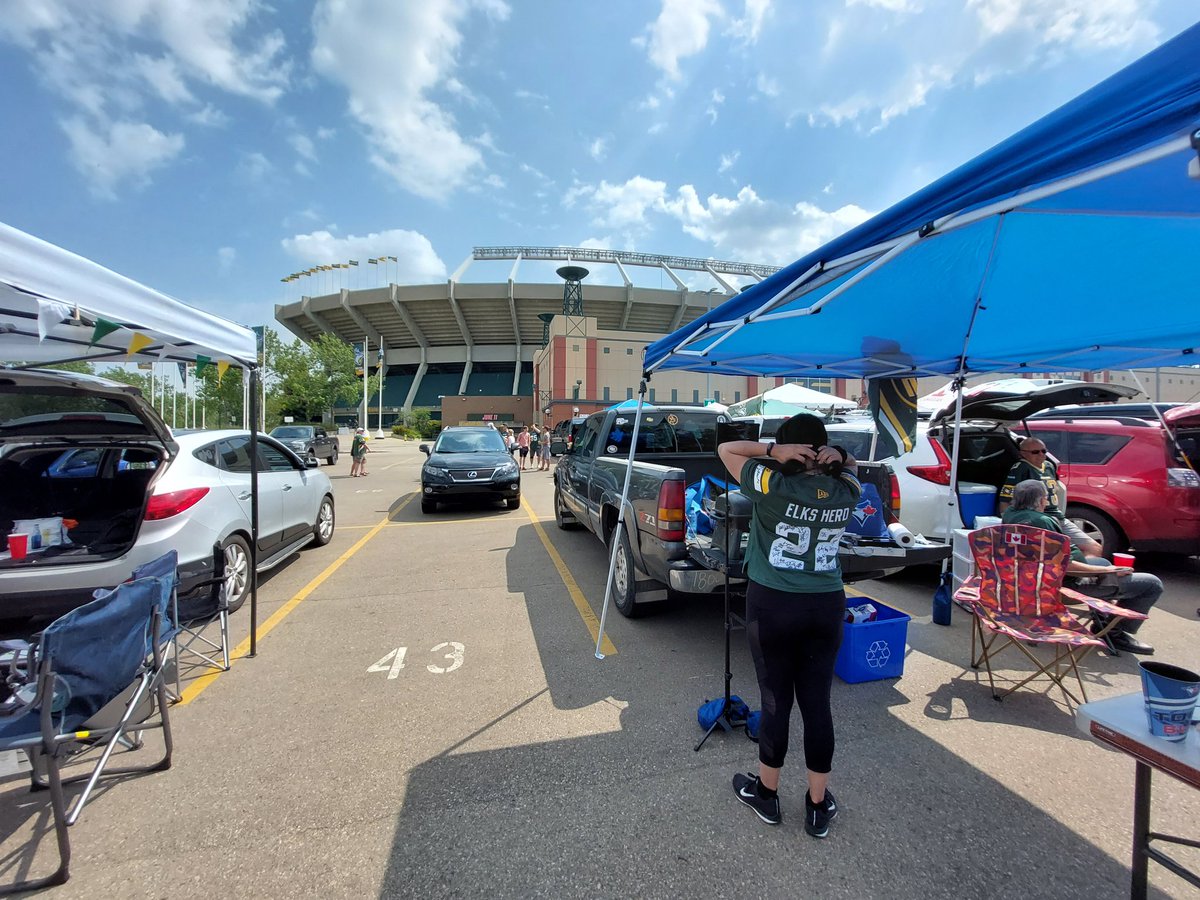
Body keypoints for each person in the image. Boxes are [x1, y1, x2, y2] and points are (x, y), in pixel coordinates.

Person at [716, 414, 861, 839]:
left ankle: (767, 792)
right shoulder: (844, 491)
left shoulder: (771, 484)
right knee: (817, 705)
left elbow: (726, 450)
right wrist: (839, 457)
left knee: (776, 700)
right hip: (824, 606)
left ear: (789, 449)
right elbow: (856, 468)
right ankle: (818, 805)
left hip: (774, 604)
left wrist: (771, 453)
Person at [1001, 479, 1162, 654]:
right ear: (1041, 501)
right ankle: (1114, 633)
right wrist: (1109, 571)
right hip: (1061, 587)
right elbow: (1065, 566)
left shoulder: (1009, 516)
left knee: (1102, 562)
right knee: (1152, 584)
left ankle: (1103, 620)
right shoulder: (1042, 523)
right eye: (1046, 498)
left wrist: (1103, 568)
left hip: (1026, 583)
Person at [998, 437, 1102, 556]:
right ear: (1022, 454)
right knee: (1055, 554)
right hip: (1037, 520)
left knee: (1094, 548)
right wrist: (1007, 522)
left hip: (1058, 517)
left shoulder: (1049, 466)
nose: (1041, 455)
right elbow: (1005, 500)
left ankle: (1079, 572)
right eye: (1035, 452)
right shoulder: (1020, 468)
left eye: (1044, 451)